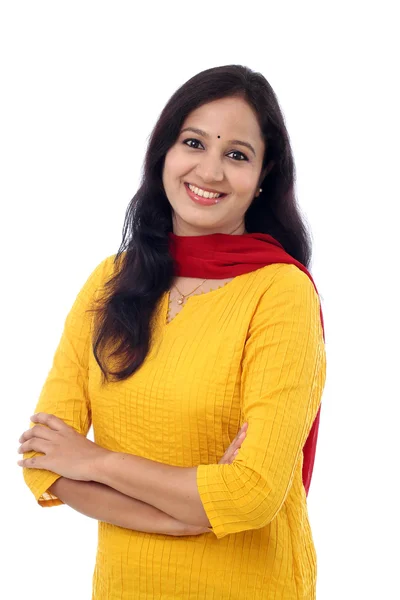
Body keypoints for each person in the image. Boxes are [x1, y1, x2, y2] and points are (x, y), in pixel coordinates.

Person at [18, 64, 327, 599]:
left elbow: (252, 494)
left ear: (262, 178)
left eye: (236, 154)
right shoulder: (109, 282)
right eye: (194, 142)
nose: (210, 171)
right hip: (124, 586)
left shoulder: (280, 292)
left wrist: (95, 462)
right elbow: (42, 463)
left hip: (247, 585)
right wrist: (182, 516)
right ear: (165, 151)